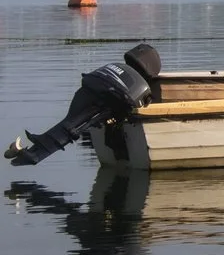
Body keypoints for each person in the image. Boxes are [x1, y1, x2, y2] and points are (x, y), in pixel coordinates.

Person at [5, 44, 162, 167]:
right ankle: (34, 152)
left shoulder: (121, 71)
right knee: (72, 125)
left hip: (96, 88)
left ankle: (33, 152)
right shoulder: (135, 85)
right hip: (105, 94)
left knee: (72, 123)